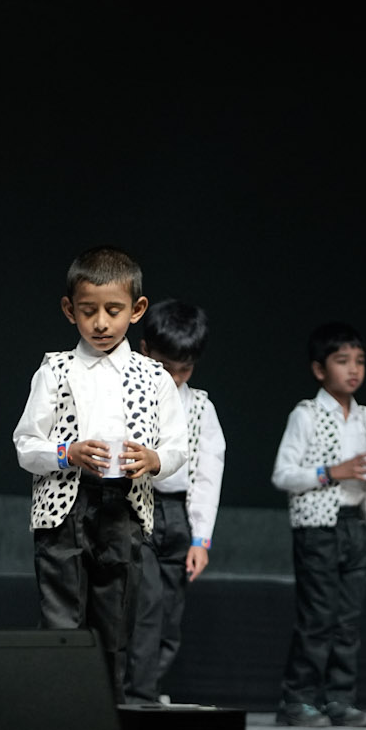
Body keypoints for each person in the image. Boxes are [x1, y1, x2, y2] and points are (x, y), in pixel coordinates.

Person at [13, 247, 188, 702]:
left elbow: (177, 447)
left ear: (137, 309)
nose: (101, 323)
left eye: (114, 310)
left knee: (114, 622)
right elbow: (26, 444)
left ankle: (104, 717)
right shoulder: (56, 370)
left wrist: (153, 460)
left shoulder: (154, 377)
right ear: (70, 310)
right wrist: (67, 453)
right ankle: (59, 717)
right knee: (61, 620)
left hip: (124, 508)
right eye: (89, 311)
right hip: (65, 509)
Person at [271, 321, 366, 728]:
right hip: (317, 526)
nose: (353, 369)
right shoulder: (307, 415)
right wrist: (332, 471)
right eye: (342, 361)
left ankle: (339, 698)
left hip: (356, 522)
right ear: (320, 369)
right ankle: (297, 699)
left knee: (347, 619)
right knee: (317, 616)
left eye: (359, 361)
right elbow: (283, 475)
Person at [124, 299, 225, 705]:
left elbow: (207, 474)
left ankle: (147, 688)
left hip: (179, 515)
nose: (176, 377)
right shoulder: (129, 396)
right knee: (144, 606)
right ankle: (135, 695)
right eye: (166, 366)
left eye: (185, 369)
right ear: (145, 350)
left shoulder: (200, 406)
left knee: (169, 613)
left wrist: (201, 539)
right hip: (137, 507)